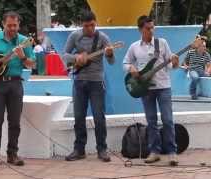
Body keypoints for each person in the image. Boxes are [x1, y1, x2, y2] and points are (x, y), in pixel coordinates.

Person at [0, 11, 35, 167]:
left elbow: (32, 64)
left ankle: (12, 154)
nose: (12, 28)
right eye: (9, 25)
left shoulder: (24, 41)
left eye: (15, 25)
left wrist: (22, 57)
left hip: (16, 83)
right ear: (3, 24)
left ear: (19, 25)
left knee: (14, 121)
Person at [123, 15, 179, 166]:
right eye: (148, 28)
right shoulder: (134, 46)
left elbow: (171, 65)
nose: (151, 31)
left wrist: (175, 62)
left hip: (163, 87)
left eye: (153, 27)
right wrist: (131, 68)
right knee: (151, 121)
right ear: (140, 29)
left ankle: (172, 152)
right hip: (145, 88)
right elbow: (125, 62)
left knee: (167, 120)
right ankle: (154, 152)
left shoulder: (162, 43)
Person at [62, 11, 115, 162]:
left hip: (97, 82)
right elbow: (64, 55)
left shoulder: (103, 38)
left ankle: (102, 149)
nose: (90, 29)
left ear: (95, 23)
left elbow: (111, 62)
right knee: (79, 117)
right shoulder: (75, 36)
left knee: (99, 117)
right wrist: (76, 58)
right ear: (81, 25)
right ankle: (79, 150)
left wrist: (110, 54)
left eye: (92, 25)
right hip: (79, 81)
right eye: (86, 26)